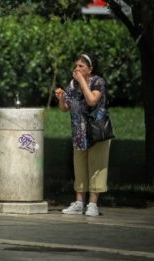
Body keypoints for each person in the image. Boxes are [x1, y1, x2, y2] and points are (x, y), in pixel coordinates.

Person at [54, 53, 112, 217]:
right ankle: (79, 202)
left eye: (81, 66)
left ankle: (92, 204)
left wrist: (81, 81)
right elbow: (64, 108)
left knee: (96, 167)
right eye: (76, 66)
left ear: (90, 69)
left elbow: (92, 100)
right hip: (79, 132)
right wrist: (61, 98)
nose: (77, 69)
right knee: (79, 167)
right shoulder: (73, 84)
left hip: (96, 132)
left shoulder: (97, 82)